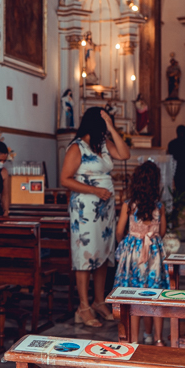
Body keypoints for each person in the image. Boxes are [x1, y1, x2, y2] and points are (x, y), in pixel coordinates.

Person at [61, 107, 131, 327]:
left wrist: (111, 127)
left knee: (103, 254)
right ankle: (83, 307)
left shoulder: (103, 145)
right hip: (85, 209)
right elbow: (65, 179)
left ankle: (99, 301)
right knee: (86, 255)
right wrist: (94, 191)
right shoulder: (77, 147)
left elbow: (125, 154)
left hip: (105, 208)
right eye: (104, 122)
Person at [113, 161, 169, 344]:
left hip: (133, 253)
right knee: (156, 293)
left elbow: (119, 231)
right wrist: (150, 235)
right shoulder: (159, 206)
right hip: (153, 253)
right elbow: (161, 232)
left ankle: (134, 341)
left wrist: (128, 241)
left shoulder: (128, 206)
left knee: (134, 295)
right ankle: (158, 339)